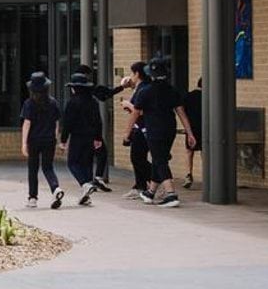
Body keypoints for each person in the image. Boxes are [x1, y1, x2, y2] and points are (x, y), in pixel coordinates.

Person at [125, 56, 195, 208]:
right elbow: (181, 113)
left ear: (151, 74)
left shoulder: (145, 91)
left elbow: (135, 113)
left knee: (160, 160)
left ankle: (171, 194)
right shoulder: (172, 90)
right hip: (170, 129)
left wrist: (127, 133)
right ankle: (150, 192)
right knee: (160, 158)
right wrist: (190, 133)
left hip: (154, 129)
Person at [76, 63, 125, 191]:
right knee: (101, 153)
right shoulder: (90, 93)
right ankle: (95, 179)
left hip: (80, 130)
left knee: (90, 155)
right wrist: (122, 87)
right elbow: (105, 94)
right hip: (90, 130)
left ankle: (90, 180)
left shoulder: (75, 94)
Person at [20, 71, 65, 209]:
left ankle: (32, 198)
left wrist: (24, 143)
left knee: (33, 169)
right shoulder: (53, 102)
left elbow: (27, 123)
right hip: (49, 139)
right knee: (48, 167)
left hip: (34, 140)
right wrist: (56, 138)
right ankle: (55, 188)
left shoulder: (29, 103)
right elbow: (56, 123)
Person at [58, 72, 104, 206]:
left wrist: (63, 140)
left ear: (74, 88)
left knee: (73, 163)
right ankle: (87, 194)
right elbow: (98, 121)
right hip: (90, 137)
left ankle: (85, 184)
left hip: (77, 136)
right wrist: (98, 137)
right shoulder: (93, 102)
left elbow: (68, 123)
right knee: (87, 163)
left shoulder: (72, 103)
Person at [121, 61, 153, 200]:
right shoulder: (140, 87)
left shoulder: (144, 88)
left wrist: (128, 104)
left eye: (132, 73)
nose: (130, 76)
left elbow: (141, 111)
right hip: (140, 127)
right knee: (137, 158)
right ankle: (140, 186)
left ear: (137, 74)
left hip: (143, 128)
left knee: (138, 158)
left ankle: (159, 180)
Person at [182, 77, 203, 189]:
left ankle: (188, 174)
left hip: (191, 127)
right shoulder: (209, 96)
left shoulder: (188, 96)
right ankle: (207, 175)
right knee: (205, 152)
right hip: (205, 127)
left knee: (189, 152)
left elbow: (183, 111)